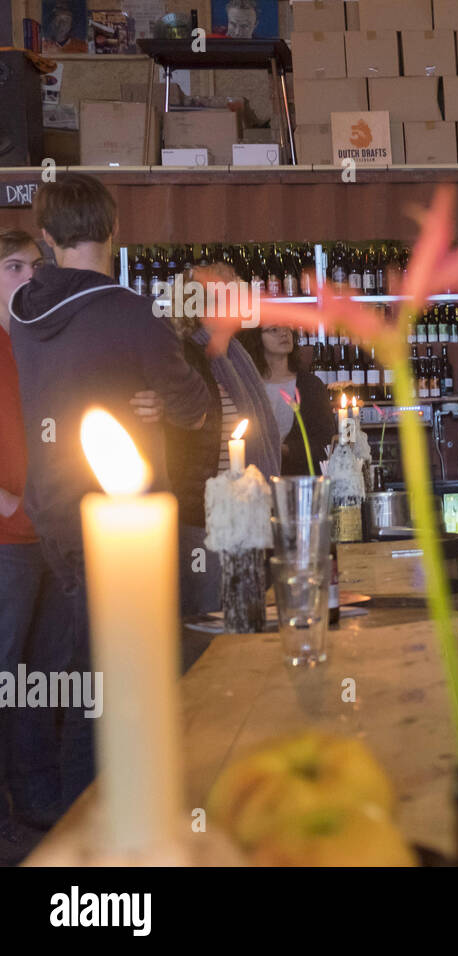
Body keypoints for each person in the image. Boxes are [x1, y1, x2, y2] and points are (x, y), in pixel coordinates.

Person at [8, 174, 209, 816]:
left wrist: (129, 396)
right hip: (125, 520)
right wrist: (152, 400)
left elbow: (74, 385)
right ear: (114, 229)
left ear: (46, 237)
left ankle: (86, 812)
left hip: (55, 513)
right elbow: (196, 408)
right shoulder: (132, 312)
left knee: (83, 671)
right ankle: (100, 817)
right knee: (124, 676)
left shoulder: (21, 312)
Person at [141, 262, 281, 618]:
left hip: (241, 513)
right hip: (201, 516)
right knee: (209, 617)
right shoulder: (182, 353)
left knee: (242, 612)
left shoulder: (235, 354)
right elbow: (178, 423)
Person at [0, 231, 68, 863]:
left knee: (36, 681)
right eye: (13, 266)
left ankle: (38, 799)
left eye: (36, 267)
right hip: (5, 543)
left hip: (50, 538)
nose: (28, 278)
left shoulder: (38, 342)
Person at [236, 325, 333, 476]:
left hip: (299, 481)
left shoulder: (310, 385)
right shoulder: (247, 385)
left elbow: (326, 442)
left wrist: (288, 450)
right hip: (255, 479)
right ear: (257, 338)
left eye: (287, 328)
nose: (284, 333)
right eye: (273, 329)